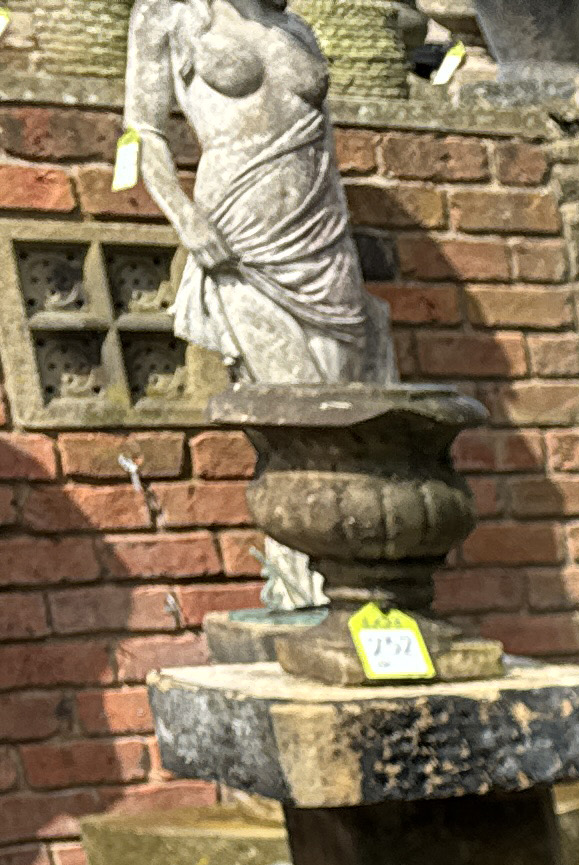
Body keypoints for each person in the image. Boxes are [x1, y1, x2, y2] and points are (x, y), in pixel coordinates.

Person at [124, 0, 395, 603]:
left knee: (345, 415)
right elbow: (143, 129)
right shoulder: (168, 15)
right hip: (241, 237)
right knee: (292, 417)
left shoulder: (296, 27)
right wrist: (184, 217)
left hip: (322, 238)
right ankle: (307, 598)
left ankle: (351, 595)